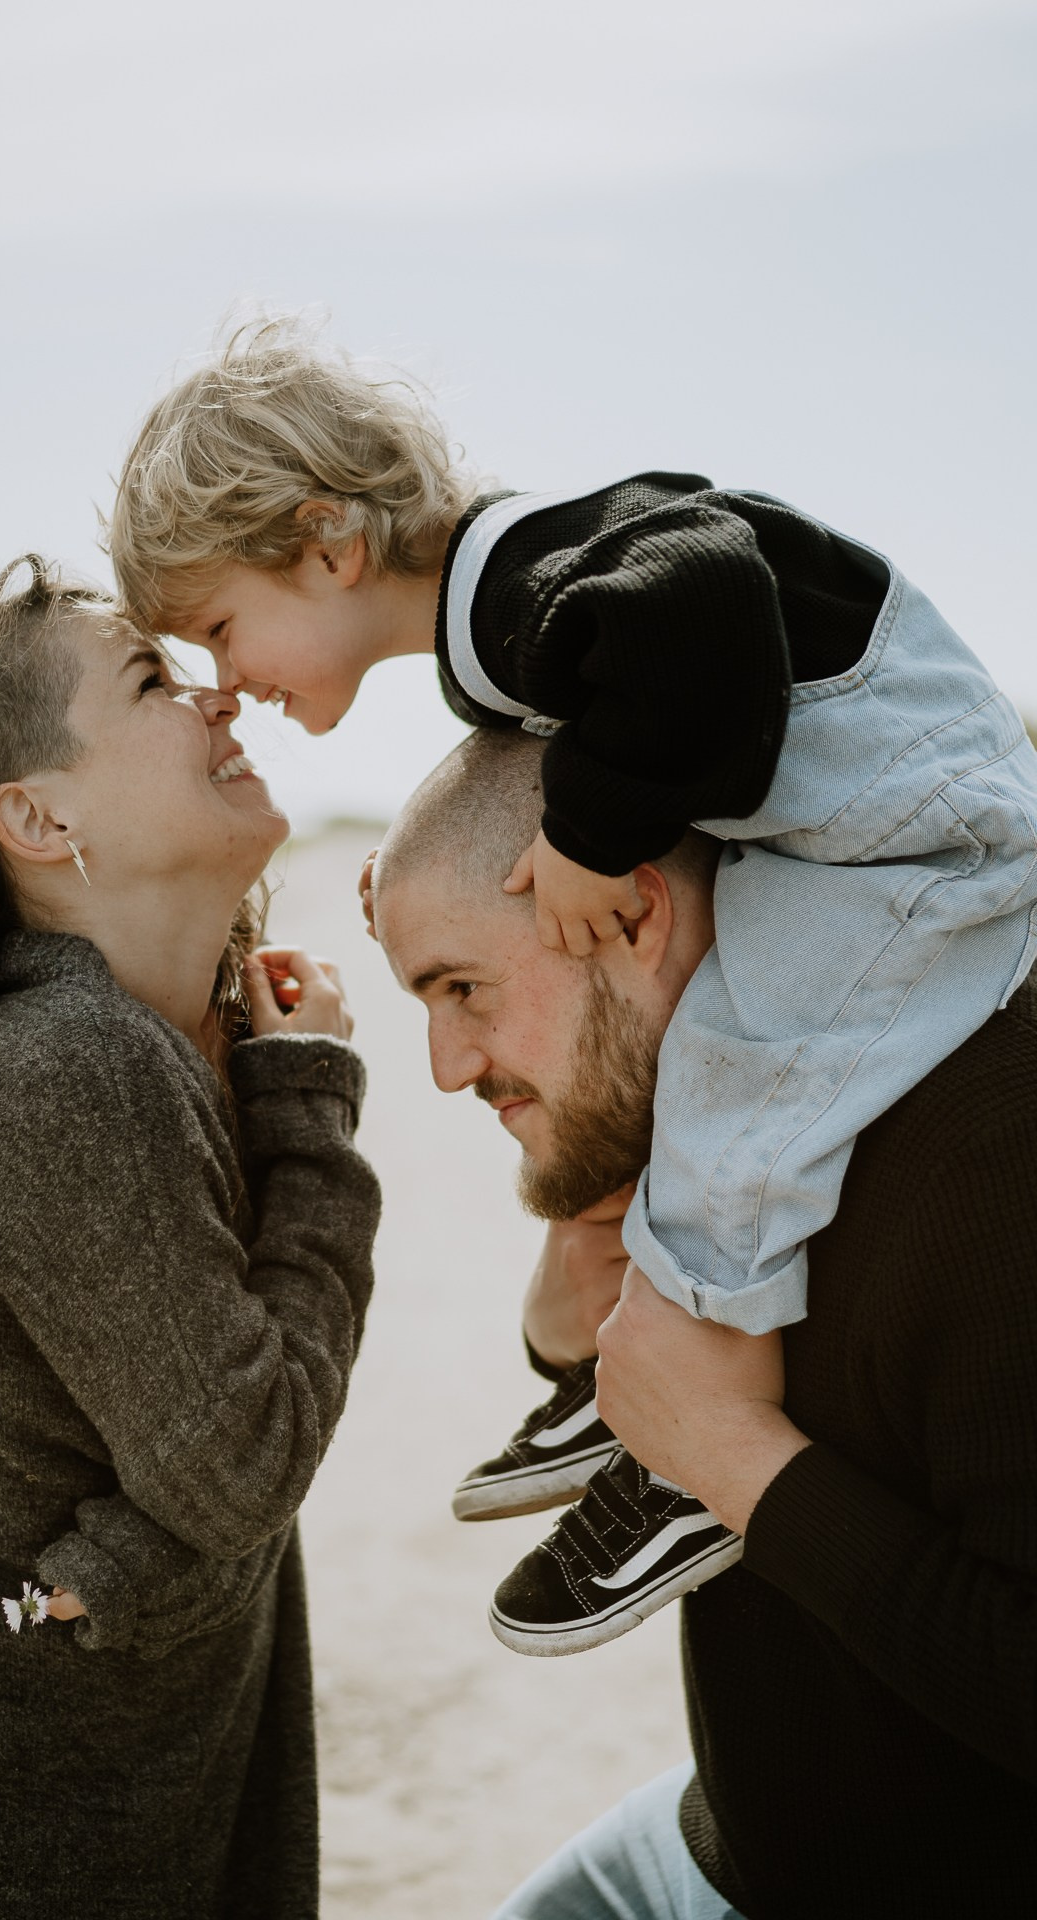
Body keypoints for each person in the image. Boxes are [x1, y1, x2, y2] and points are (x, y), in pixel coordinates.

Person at [107, 314, 1037, 1653]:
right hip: (856, 823)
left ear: (328, 543)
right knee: (713, 1083)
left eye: (219, 627)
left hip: (921, 834)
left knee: (743, 1073)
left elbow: (712, 587)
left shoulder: (520, 583)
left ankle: (686, 1451)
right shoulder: (508, 618)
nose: (227, 683)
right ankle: (618, 1380)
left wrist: (591, 833)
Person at [0, 557, 381, 1919]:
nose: (223, 696)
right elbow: (247, 1463)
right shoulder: (65, 1070)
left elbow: (211, 1471)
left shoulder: (149, 1046)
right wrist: (313, 1114)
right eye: (155, 682)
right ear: (37, 816)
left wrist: (109, 1574)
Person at [372, 728, 1037, 1918]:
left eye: (460, 989)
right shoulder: (693, 1139)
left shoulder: (990, 1146)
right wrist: (568, 1327)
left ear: (631, 921)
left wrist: (732, 1457)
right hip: (714, 1833)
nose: (441, 1066)